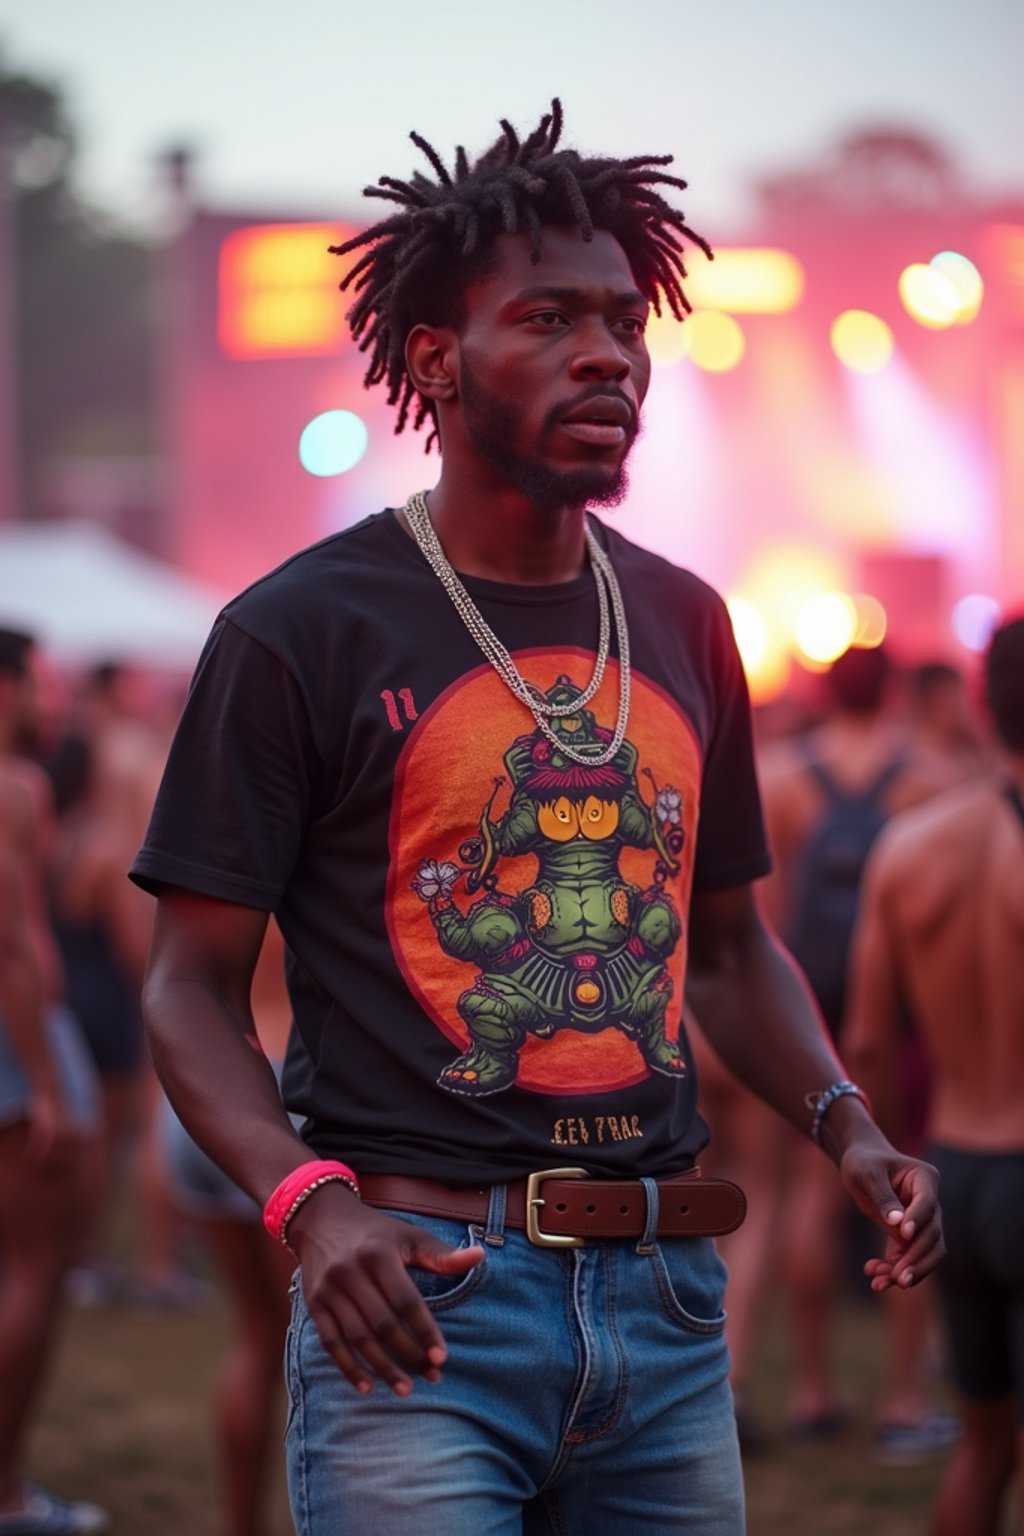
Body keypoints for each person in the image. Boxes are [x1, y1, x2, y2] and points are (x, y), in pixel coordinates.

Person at [132, 102, 943, 1536]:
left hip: (671, 1308)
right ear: (436, 362)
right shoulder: (299, 631)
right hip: (424, 1300)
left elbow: (730, 951)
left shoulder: (691, 622)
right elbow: (188, 991)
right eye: (551, 319)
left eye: (626, 322)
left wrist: (847, 1124)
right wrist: (313, 1209)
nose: (608, 355)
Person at [846, 615, 1024, 1536]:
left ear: (986, 708)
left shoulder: (911, 846)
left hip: (956, 1170)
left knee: (987, 1444)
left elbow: (867, 1042)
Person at [758, 646, 956, 1447]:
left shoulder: (779, 777)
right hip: (900, 1009)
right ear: (896, 691)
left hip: (806, 1002)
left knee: (810, 1190)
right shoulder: (933, 777)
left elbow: (763, 923)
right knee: (907, 1191)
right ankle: (904, 1401)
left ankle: (812, 1391)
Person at [0, 627, 106, 1536]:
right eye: (37, 683)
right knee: (37, 1267)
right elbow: (15, 939)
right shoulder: (16, 785)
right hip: (17, 1043)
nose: (49, 702)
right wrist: (43, 1080)